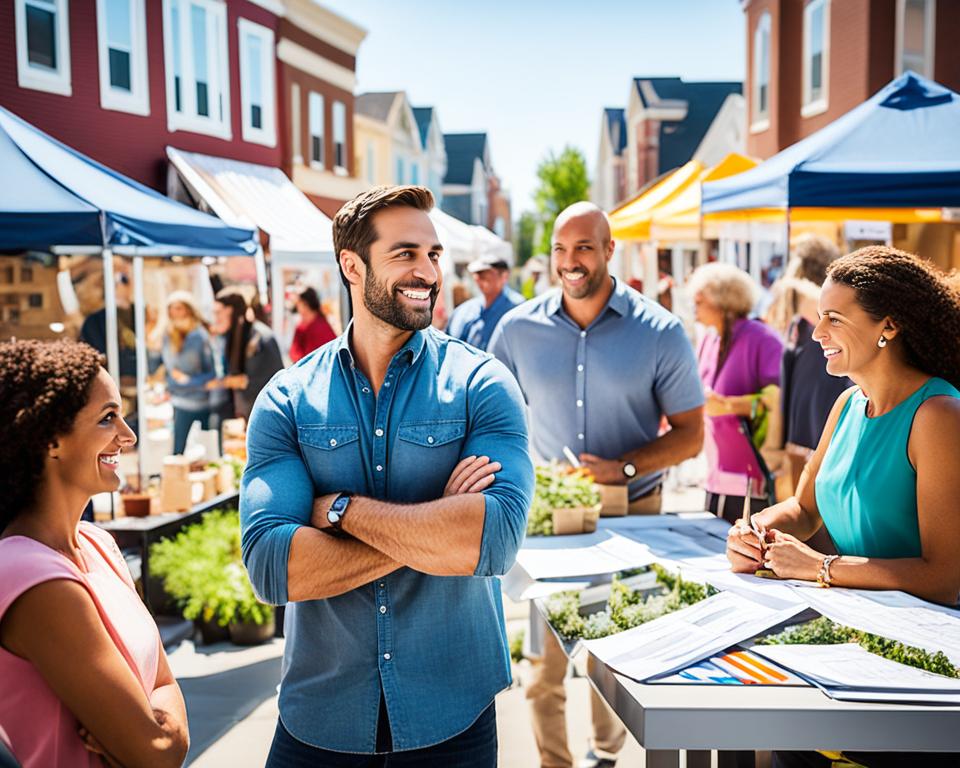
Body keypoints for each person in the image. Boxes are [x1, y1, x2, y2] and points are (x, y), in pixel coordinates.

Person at [240, 185, 533, 767]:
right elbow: (273, 568)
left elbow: (492, 541)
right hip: (318, 721)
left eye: (433, 255)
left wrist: (343, 510)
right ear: (353, 264)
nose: (427, 271)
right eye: (405, 254)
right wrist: (435, 526)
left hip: (453, 717)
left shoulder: (483, 384)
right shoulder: (288, 398)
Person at [726, 246, 960, 768]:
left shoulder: (939, 416)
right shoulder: (848, 403)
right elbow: (805, 510)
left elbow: (945, 577)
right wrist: (756, 530)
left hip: (922, 676)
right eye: (817, 319)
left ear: (890, 326)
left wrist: (821, 569)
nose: (816, 334)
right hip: (848, 648)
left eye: (833, 319)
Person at [490, 202, 704, 768]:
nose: (570, 261)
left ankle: (606, 755)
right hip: (550, 525)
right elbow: (490, 422)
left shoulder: (660, 331)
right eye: (561, 249)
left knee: (616, 655)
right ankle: (555, 763)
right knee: (543, 666)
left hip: (634, 516)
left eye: (584, 247)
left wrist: (625, 466)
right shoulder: (517, 330)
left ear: (611, 250)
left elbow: (690, 435)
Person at [0, 339, 189, 768]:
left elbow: (163, 683)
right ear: (50, 440)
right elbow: (155, 753)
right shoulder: (27, 575)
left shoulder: (97, 544)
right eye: (108, 418)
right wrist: (159, 736)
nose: (128, 435)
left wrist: (161, 732)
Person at [688, 262, 783, 523]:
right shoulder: (710, 338)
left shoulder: (762, 338)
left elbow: (778, 400)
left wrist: (729, 406)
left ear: (722, 301)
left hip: (752, 481)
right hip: (715, 478)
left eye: (700, 299)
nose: (694, 304)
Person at [771, 235, 851, 493]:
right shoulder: (803, 311)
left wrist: (791, 283)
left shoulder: (816, 304)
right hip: (805, 422)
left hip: (819, 419)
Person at [208, 286, 284, 422]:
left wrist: (223, 382)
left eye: (218, 313)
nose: (215, 318)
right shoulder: (234, 336)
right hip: (249, 413)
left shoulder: (260, 338)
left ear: (231, 311)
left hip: (267, 417)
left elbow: (255, 382)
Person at [160, 290, 216, 455]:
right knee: (177, 452)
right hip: (179, 403)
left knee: (205, 455)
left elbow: (212, 374)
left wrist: (189, 381)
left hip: (201, 403)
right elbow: (170, 370)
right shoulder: (168, 336)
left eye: (178, 308)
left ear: (188, 309)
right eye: (171, 308)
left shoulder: (200, 337)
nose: (174, 313)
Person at [446, 253, 524, 351]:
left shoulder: (518, 309)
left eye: (485, 273)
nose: (479, 278)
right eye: (477, 274)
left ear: (504, 276)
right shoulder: (463, 310)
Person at [289, 286, 337, 362]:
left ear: (305, 304)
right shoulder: (304, 326)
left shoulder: (319, 327)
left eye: (298, 304)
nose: (297, 308)